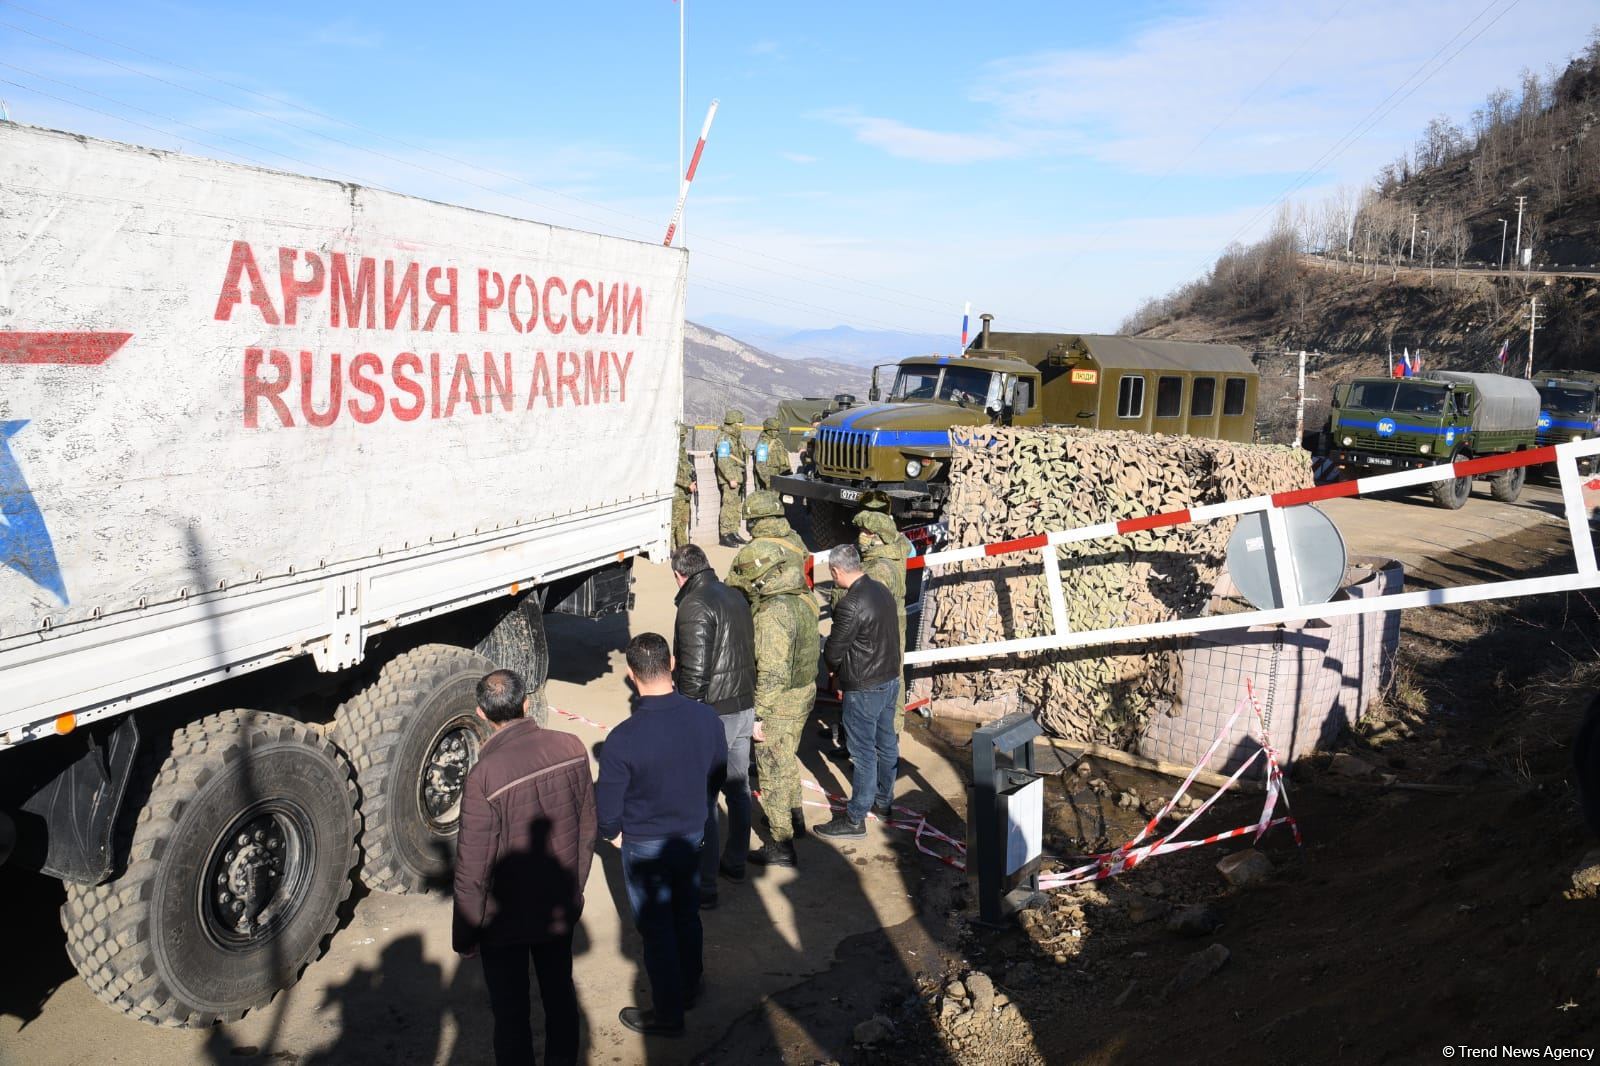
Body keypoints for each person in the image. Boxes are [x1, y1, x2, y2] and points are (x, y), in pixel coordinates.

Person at [453, 670, 596, 1066]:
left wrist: (465, 934)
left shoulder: (484, 775)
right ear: (527, 703)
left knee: (511, 1014)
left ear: (482, 714)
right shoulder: (571, 746)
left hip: (504, 924)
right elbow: (587, 830)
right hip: (558, 907)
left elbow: (473, 867)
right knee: (560, 995)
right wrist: (575, 890)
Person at [596, 633, 729, 1038]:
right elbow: (717, 773)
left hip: (645, 844)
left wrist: (613, 834)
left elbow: (607, 806)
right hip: (691, 833)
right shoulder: (706, 718)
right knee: (686, 914)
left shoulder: (622, 739)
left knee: (656, 930)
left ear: (631, 674)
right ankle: (691, 985)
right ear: (672, 664)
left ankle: (669, 1013)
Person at [669, 544, 756, 906]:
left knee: (703, 799)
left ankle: (704, 885)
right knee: (738, 787)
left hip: (713, 713)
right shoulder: (734, 596)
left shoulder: (694, 605)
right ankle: (735, 861)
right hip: (743, 704)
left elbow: (694, 671)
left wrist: (685, 716)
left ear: (679, 574)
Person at [729, 542, 819, 867]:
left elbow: (771, 672)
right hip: (803, 691)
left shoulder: (771, 614)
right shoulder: (803, 596)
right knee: (787, 757)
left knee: (772, 771)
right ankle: (795, 818)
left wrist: (759, 716)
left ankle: (781, 844)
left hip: (780, 702)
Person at [814, 544, 902, 839]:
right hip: (889, 678)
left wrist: (833, 670)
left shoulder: (851, 604)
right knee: (886, 742)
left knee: (862, 752)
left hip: (864, 686)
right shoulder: (881, 591)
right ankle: (884, 801)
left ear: (837, 571)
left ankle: (855, 818)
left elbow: (834, 651)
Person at [854, 498, 912, 733]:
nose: (861, 536)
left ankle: (881, 736)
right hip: (895, 621)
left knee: (877, 681)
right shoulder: (896, 547)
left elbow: (864, 605)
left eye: (866, 532)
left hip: (879, 629)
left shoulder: (878, 568)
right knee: (893, 676)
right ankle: (889, 733)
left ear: (879, 536)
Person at [725, 490, 806, 601]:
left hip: (767, 613)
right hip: (802, 606)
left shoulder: (752, 550)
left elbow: (735, 588)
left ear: (753, 521)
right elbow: (806, 558)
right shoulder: (796, 538)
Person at [714, 409, 749, 547]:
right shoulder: (724, 439)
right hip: (731, 480)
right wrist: (730, 478)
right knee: (728, 506)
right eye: (739, 423)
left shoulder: (736, 439)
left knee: (735, 507)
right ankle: (725, 535)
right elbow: (723, 460)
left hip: (738, 477)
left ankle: (733, 532)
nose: (741, 426)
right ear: (733, 424)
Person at [672, 423, 697, 551]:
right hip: (677, 494)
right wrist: (687, 484)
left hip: (685, 494)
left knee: (683, 523)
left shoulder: (681, 451)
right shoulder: (671, 451)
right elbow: (672, 473)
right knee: (673, 524)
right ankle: (670, 550)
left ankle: (683, 549)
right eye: (682, 435)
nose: (684, 438)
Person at [752, 416, 789, 491]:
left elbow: (785, 459)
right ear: (769, 430)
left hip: (778, 477)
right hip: (768, 480)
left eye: (778, 430)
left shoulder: (778, 441)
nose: (777, 432)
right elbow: (760, 465)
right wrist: (768, 481)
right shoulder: (763, 443)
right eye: (774, 430)